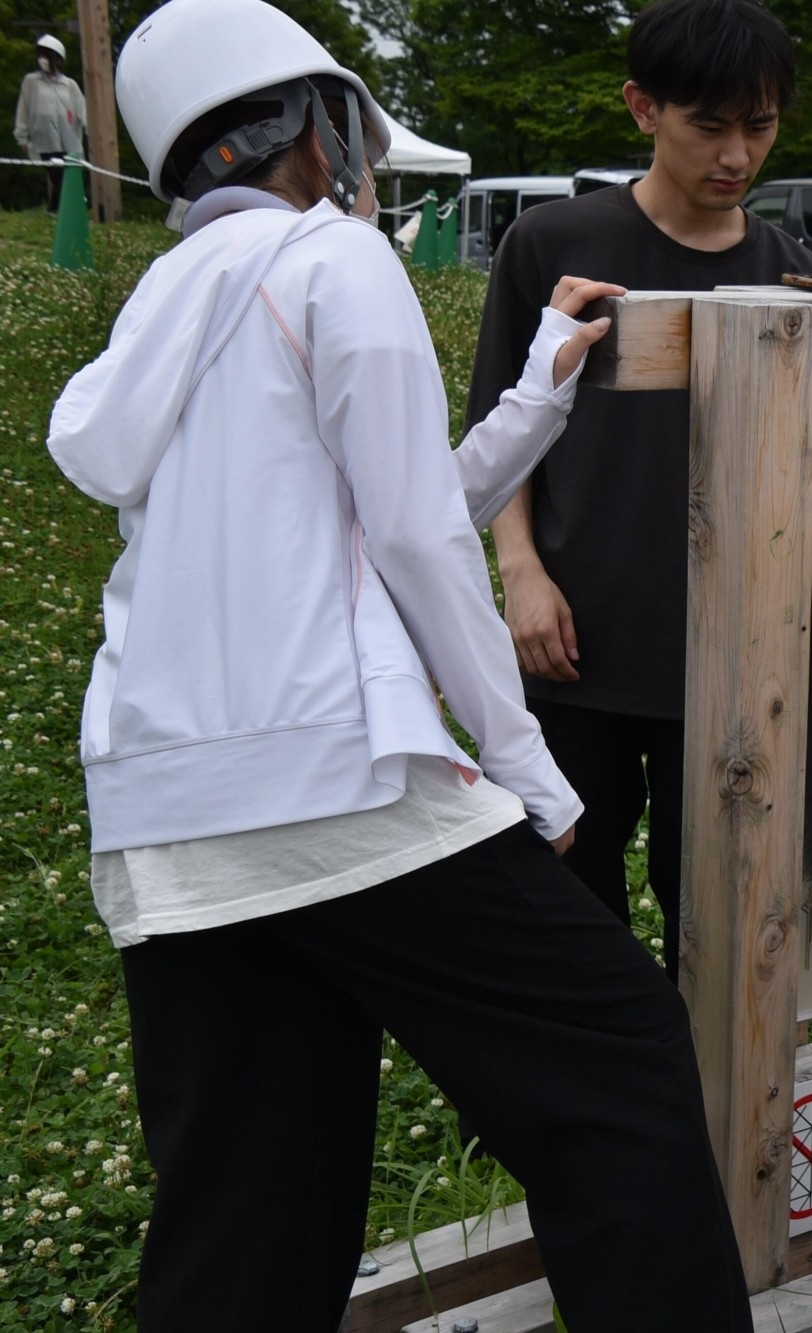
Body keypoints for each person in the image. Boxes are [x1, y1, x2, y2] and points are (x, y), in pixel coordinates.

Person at [50, 1, 752, 1328]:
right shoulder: (333, 257)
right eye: (359, 137)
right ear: (316, 132)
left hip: (163, 810)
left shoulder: (171, 298)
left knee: (254, 1202)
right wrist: (528, 766)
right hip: (335, 778)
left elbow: (383, 509)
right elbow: (422, 541)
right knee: (620, 1055)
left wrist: (539, 388)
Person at [469, 0, 812, 959]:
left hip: (728, 662)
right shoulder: (551, 244)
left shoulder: (796, 276)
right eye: (709, 125)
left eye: (760, 126)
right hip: (570, 643)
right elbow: (495, 430)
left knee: (713, 923)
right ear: (643, 108)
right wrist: (522, 573)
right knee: (565, 909)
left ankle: (695, 1068)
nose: (737, 155)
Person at [14, 34, 88, 212]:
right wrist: (22, 136)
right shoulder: (31, 82)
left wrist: (91, 133)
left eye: (46, 55)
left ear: (58, 59)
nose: (43, 60)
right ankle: (60, 210)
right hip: (44, 141)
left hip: (69, 140)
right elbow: (23, 109)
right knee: (58, 177)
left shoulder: (70, 85)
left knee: (66, 177)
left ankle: (55, 211)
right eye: (40, 55)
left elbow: (83, 111)